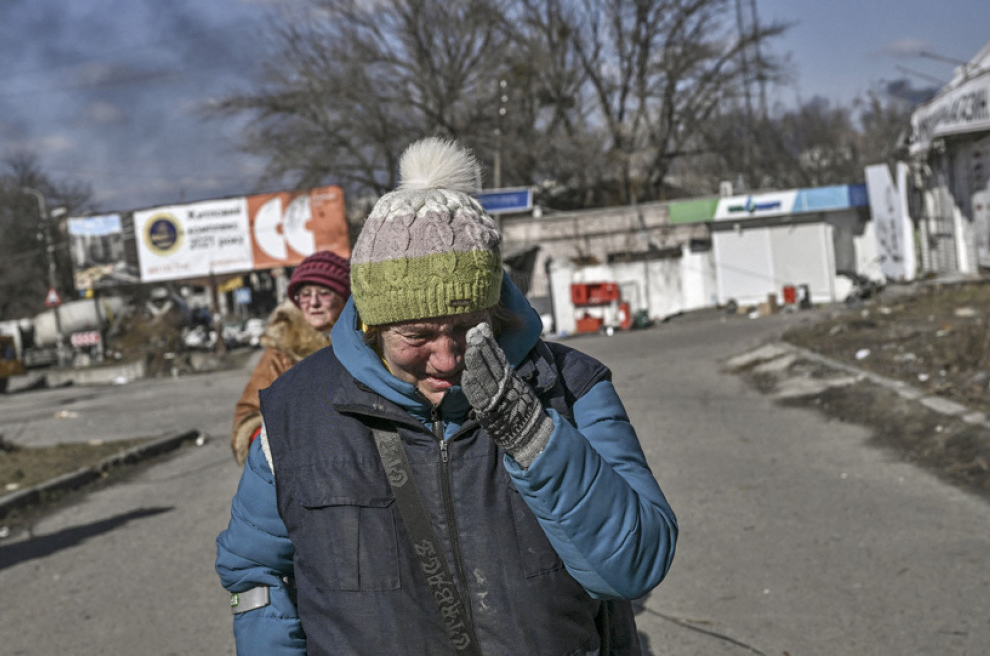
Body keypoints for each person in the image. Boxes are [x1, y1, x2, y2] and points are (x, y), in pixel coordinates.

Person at [216, 138, 677, 655]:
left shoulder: (571, 385)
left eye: (465, 327)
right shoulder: (294, 413)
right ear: (372, 326)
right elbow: (255, 575)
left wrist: (536, 439)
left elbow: (636, 566)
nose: (446, 358)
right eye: (416, 336)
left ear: (495, 312)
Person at [228, 250, 350, 466]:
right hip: (305, 465)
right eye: (305, 294)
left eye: (324, 293)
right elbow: (247, 417)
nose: (313, 302)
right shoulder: (282, 352)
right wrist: (272, 448)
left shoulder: (364, 345)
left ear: (344, 298)